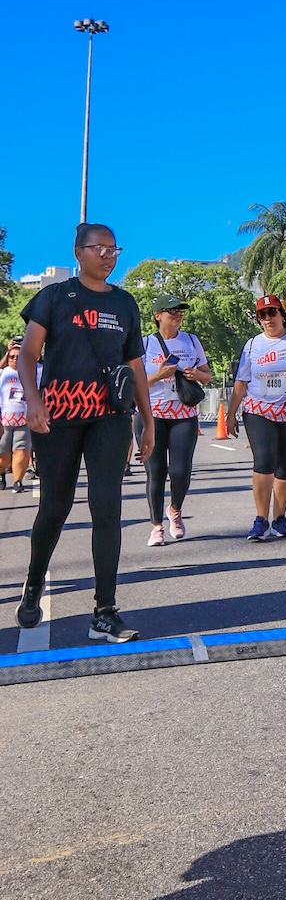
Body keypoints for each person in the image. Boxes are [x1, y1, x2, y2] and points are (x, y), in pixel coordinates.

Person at [16, 223, 154, 641]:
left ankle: (105, 611)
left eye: (114, 249)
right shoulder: (54, 297)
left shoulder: (125, 303)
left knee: (106, 507)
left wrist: (147, 420)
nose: (108, 256)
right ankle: (34, 582)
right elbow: (27, 354)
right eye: (99, 249)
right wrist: (33, 401)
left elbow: (135, 366)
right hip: (58, 415)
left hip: (109, 416)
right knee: (55, 506)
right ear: (78, 252)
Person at [226, 295, 286, 541]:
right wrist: (231, 414)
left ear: (282, 315)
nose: (268, 319)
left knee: (285, 465)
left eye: (272, 313)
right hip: (259, 410)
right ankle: (261, 520)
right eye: (262, 315)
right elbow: (241, 381)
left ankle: (279, 519)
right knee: (264, 461)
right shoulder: (253, 345)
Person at [142, 295, 213, 546]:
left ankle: (174, 510)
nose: (178, 314)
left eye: (180, 310)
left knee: (180, 471)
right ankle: (156, 526)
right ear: (157, 315)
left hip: (184, 414)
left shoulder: (191, 340)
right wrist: (158, 375)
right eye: (171, 310)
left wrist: (197, 375)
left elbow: (207, 375)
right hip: (152, 414)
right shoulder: (144, 344)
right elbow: (135, 382)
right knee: (156, 472)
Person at [0, 337, 36, 493]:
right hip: (4, 420)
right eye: (12, 357)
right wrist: (8, 351)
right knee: (3, 454)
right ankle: (2, 474)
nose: (15, 359)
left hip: (23, 419)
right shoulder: (3, 373)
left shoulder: (32, 371)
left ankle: (17, 481)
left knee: (21, 450)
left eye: (18, 356)